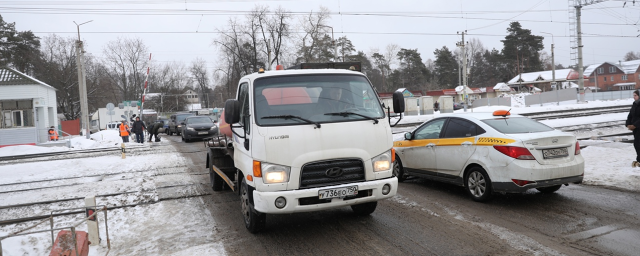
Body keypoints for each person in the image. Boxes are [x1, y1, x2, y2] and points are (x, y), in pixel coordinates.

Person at [626, 89, 640, 167]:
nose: (634, 97)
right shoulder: (634, 104)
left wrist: (635, 125)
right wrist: (628, 124)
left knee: (637, 144)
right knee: (637, 144)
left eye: (635, 95)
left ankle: (639, 160)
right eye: (633, 95)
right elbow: (630, 115)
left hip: (638, 127)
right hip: (635, 128)